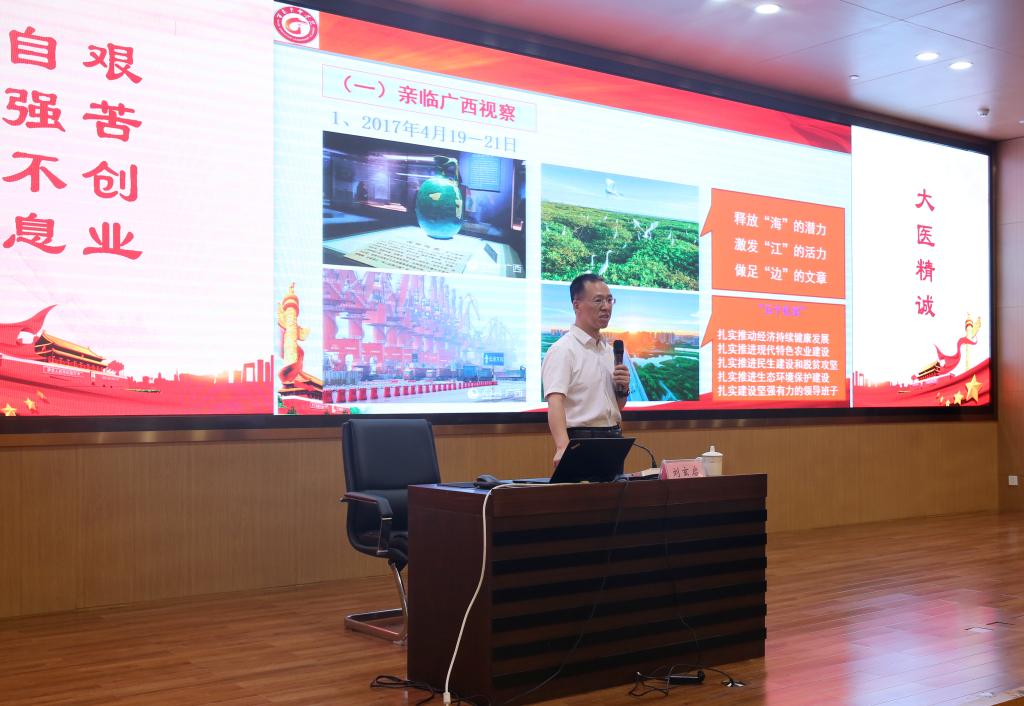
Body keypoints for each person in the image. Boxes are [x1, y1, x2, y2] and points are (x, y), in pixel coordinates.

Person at [541, 273, 630, 467]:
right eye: (598, 300)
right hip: (581, 441)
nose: (606, 307)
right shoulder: (563, 349)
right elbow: (555, 401)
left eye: (609, 300)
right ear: (577, 305)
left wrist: (623, 388)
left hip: (614, 438)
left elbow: (617, 406)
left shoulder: (608, 351)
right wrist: (562, 446)